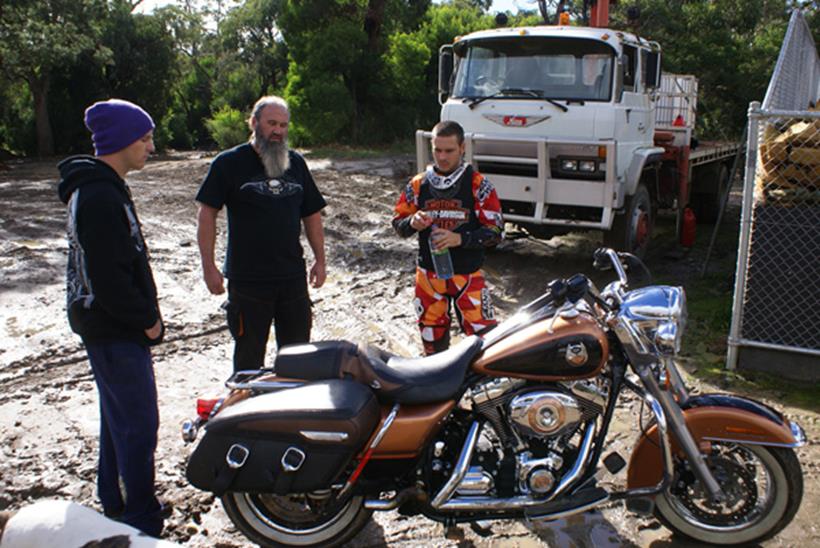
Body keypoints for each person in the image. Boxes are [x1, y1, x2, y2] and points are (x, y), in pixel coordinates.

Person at [57, 99, 168, 537]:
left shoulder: (104, 186)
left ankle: (116, 504)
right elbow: (109, 277)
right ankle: (138, 518)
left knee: (119, 419)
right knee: (138, 423)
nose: (151, 147)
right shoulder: (100, 195)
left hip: (108, 326)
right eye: (144, 138)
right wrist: (147, 320)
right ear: (121, 140)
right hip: (114, 328)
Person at [196, 95, 327, 372]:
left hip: (292, 278)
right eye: (271, 123)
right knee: (248, 359)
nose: (278, 131)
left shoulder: (296, 164)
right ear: (254, 122)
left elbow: (312, 214)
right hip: (248, 282)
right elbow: (207, 214)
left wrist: (320, 259)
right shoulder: (228, 163)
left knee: (297, 358)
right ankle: (245, 409)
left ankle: (291, 412)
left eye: (283, 125)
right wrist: (208, 267)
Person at [393, 120, 504, 355]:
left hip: (468, 275)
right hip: (428, 276)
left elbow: (496, 232)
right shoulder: (417, 184)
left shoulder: (479, 185)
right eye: (437, 150)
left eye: (449, 151)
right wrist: (412, 222)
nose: (442, 157)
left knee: (485, 342)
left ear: (462, 148)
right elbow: (398, 225)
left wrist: (460, 239)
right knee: (432, 343)